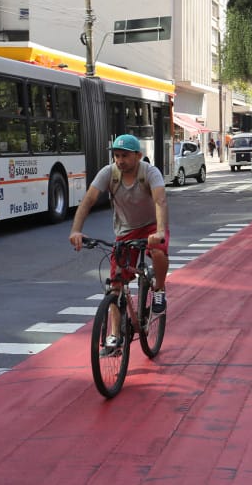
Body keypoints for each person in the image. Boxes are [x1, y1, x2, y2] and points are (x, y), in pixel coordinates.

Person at [69, 134, 169, 350]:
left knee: (158, 251)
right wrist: (76, 230)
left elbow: (160, 201)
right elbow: (88, 200)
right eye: (116, 156)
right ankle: (115, 336)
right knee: (115, 284)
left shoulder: (149, 172)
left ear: (138, 155)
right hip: (126, 231)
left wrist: (160, 231)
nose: (120, 160)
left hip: (152, 226)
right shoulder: (109, 173)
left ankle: (159, 289)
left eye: (125, 155)